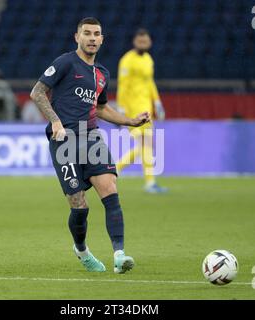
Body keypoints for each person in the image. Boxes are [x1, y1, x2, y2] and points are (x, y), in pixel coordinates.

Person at [30, 17, 150, 273]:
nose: (92, 38)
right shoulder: (64, 62)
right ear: (77, 37)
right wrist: (55, 121)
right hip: (63, 140)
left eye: (96, 34)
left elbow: (102, 108)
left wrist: (130, 121)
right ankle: (82, 250)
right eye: (87, 33)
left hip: (91, 136)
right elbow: (37, 92)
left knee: (110, 189)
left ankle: (120, 255)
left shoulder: (102, 74)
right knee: (79, 204)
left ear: (102, 39)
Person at [116, 29, 168, 193]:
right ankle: (149, 182)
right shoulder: (127, 60)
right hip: (133, 108)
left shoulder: (148, 59)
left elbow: (149, 82)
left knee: (145, 145)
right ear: (134, 42)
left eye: (145, 42)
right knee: (146, 144)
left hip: (146, 107)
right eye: (140, 42)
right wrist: (121, 108)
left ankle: (114, 170)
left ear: (149, 42)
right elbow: (122, 85)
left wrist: (157, 101)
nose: (143, 44)